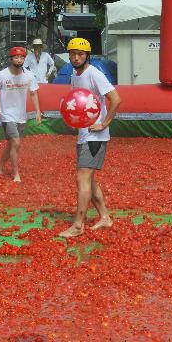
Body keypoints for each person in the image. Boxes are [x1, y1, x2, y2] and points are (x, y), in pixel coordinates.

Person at [58, 38, 121, 239]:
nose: (77, 57)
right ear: (69, 55)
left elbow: (116, 99)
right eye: (73, 54)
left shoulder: (94, 74)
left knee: (82, 178)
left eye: (81, 54)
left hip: (95, 136)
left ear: (87, 56)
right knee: (89, 179)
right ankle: (105, 217)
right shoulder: (75, 76)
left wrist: (104, 124)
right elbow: (79, 104)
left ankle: (78, 225)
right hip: (83, 135)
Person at [0, 46, 41, 181]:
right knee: (15, 142)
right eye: (16, 57)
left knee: (11, 144)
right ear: (11, 59)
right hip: (6, 114)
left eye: (22, 57)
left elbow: (33, 93)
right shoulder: (2, 75)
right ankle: (16, 173)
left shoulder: (29, 75)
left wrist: (38, 111)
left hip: (21, 116)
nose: (19, 59)